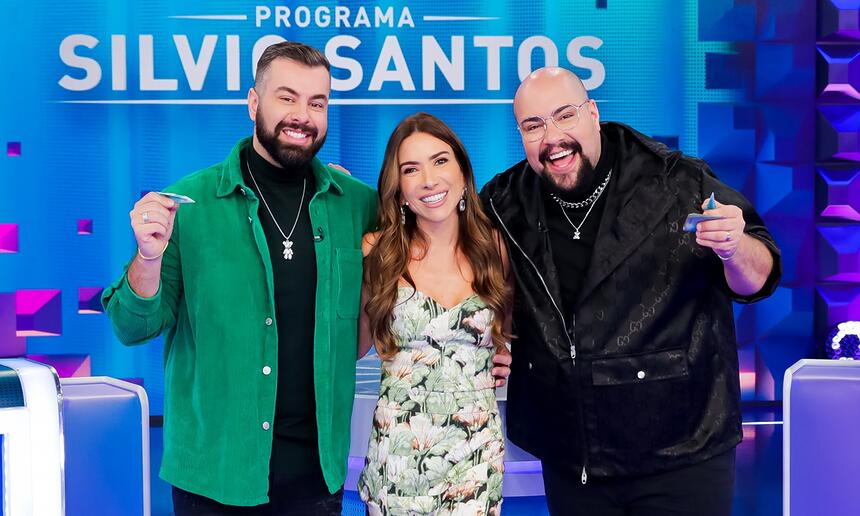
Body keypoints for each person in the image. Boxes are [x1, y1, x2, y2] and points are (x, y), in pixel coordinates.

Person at [479, 67, 781, 516]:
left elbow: (759, 278)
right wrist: (495, 336)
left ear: (593, 113)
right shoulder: (504, 202)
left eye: (565, 116)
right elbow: (461, 262)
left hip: (682, 450)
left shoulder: (677, 182)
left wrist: (734, 247)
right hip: (573, 456)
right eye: (533, 125)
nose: (553, 138)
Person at [101, 42, 377, 514]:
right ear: (253, 103)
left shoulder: (356, 204)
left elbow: (420, 281)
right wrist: (148, 257)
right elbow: (131, 327)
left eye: (318, 102)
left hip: (317, 480)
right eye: (286, 98)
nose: (302, 116)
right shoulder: (188, 205)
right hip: (214, 478)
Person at [356, 113, 512, 516]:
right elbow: (354, 346)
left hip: (475, 454)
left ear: (462, 171)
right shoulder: (377, 250)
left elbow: (509, 334)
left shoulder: (495, 246)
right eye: (411, 169)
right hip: (400, 458)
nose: (428, 179)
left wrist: (509, 357)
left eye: (440, 161)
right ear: (399, 188)